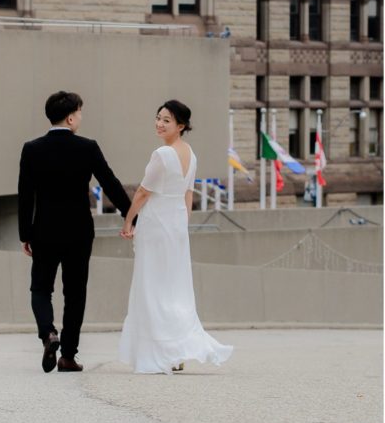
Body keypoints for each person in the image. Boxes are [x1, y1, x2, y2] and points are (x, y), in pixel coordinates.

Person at [18, 90, 132, 373]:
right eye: (80, 113)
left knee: (41, 288)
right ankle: (68, 356)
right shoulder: (87, 147)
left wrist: (25, 234)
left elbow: (25, 195)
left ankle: (48, 333)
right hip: (79, 231)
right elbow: (110, 183)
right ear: (71, 117)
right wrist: (132, 216)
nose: (81, 117)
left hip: (44, 230)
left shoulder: (31, 149)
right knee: (75, 292)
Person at [118, 100, 233, 374]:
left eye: (166, 120)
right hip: (176, 225)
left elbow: (144, 193)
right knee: (175, 287)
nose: (159, 123)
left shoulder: (162, 154)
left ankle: (162, 351)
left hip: (156, 224)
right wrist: (182, 221)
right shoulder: (190, 155)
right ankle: (176, 350)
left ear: (180, 126)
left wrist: (128, 220)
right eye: (158, 118)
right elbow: (188, 194)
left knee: (153, 286)